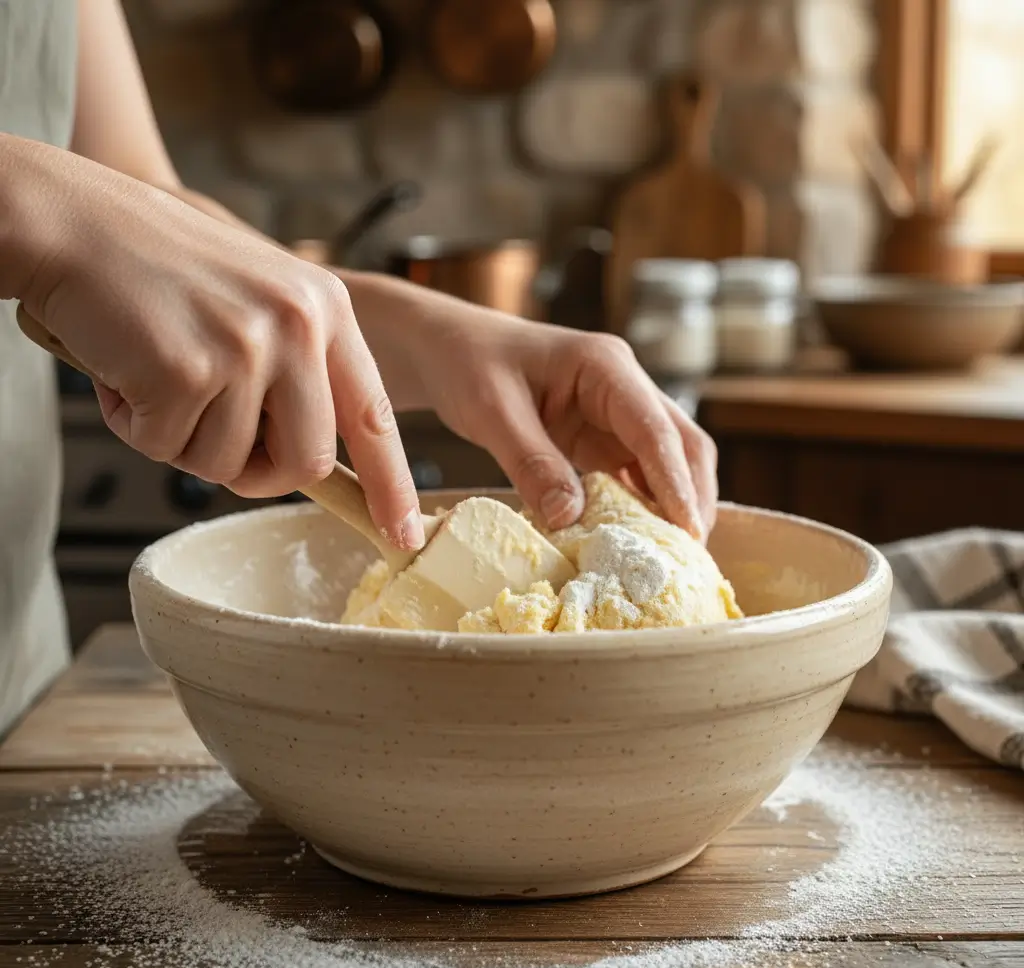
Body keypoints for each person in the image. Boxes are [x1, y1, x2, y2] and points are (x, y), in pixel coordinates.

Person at [0, 1, 717, 727]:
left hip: (16, 676)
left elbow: (136, 197)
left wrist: (424, 333)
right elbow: (77, 217)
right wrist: (29, 205)